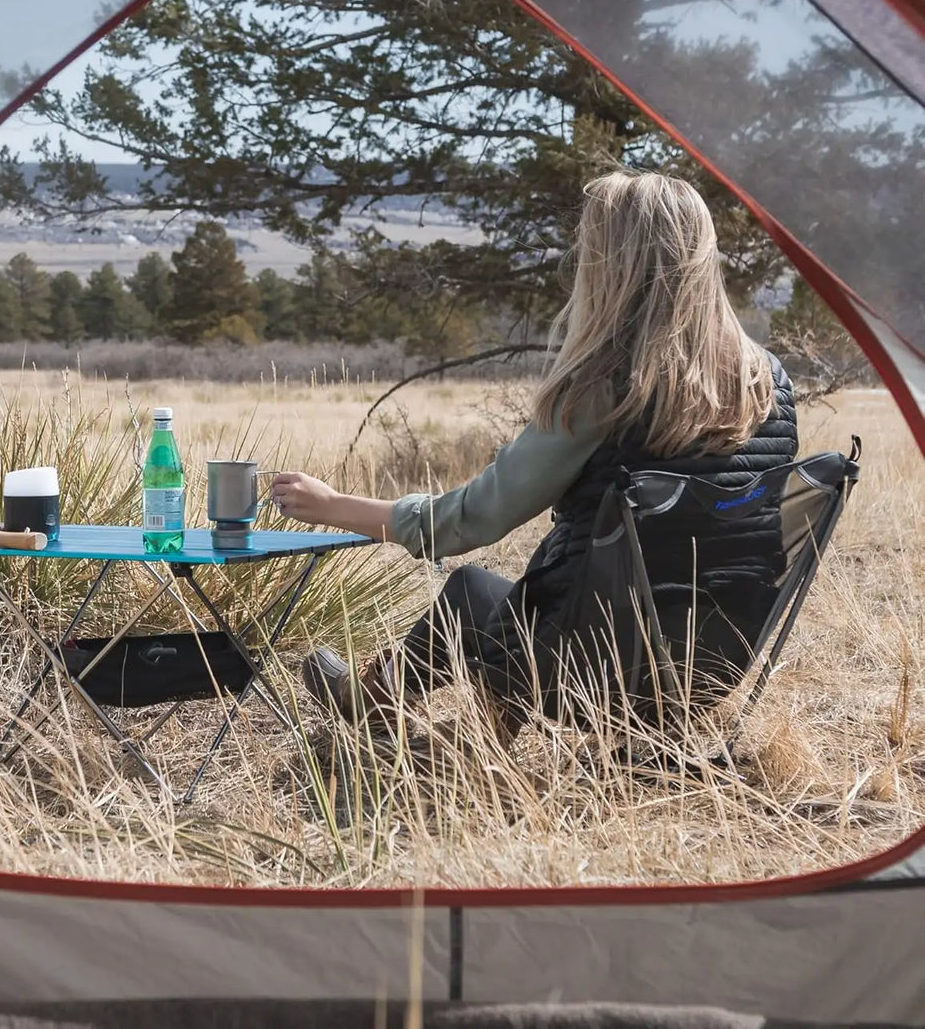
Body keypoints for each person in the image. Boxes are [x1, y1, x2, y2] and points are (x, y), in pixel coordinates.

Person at [271, 170, 799, 740]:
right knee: (539, 594)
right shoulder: (767, 380)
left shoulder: (605, 386)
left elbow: (470, 519)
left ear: (611, 264)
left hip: (596, 672)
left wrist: (332, 506)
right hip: (711, 667)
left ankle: (368, 701)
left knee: (471, 592)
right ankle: (457, 728)